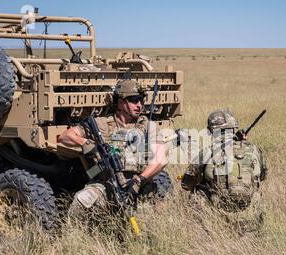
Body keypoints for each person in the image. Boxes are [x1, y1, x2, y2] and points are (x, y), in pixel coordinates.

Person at [59, 79, 171, 216]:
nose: (139, 105)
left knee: (150, 219)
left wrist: (139, 180)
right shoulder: (102, 124)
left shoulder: (147, 126)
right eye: (134, 100)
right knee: (82, 201)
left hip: (138, 187)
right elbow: (65, 137)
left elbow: (161, 159)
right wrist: (86, 143)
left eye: (141, 100)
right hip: (106, 184)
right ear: (121, 102)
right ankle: (76, 234)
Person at [181, 109, 266, 232]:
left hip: (215, 217)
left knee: (196, 192)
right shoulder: (253, 150)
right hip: (249, 217)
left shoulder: (207, 152)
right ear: (234, 128)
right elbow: (262, 176)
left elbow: (186, 183)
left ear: (211, 131)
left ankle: (201, 231)